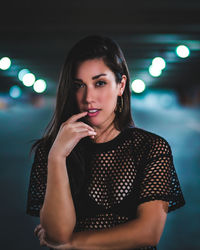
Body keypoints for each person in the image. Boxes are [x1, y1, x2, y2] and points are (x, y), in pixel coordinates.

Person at [26, 35, 185, 250]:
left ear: (120, 86)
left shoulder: (151, 148)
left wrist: (74, 243)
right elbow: (57, 233)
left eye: (99, 83)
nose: (88, 97)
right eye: (79, 85)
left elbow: (148, 233)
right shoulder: (51, 151)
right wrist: (57, 157)